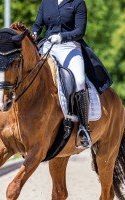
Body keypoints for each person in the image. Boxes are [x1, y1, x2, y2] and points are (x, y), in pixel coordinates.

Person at [31, 0, 113, 148]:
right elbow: (38, 24)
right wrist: (34, 33)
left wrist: (62, 36)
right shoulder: (46, 2)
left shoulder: (77, 3)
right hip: (48, 46)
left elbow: (79, 31)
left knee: (80, 81)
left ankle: (83, 127)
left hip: (70, 47)